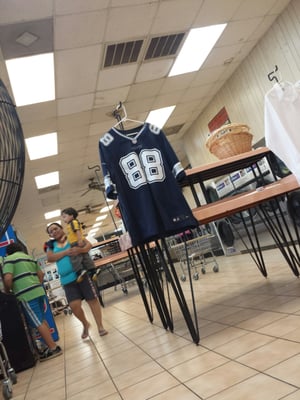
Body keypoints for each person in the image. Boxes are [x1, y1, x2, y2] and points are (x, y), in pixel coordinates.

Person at [45, 223, 107, 338]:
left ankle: (100, 326)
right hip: (67, 280)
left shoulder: (72, 237)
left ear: (61, 228)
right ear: (50, 235)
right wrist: (65, 252)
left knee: (92, 300)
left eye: (55, 228)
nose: (54, 231)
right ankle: (85, 324)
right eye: (51, 231)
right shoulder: (51, 245)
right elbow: (50, 258)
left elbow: (88, 245)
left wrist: (80, 250)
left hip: (82, 274)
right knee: (74, 306)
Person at [2, 242, 62, 362]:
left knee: (37, 322)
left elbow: (8, 278)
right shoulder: (29, 258)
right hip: (38, 291)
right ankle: (53, 346)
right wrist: (36, 285)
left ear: (8, 252)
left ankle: (53, 348)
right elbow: (41, 274)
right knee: (42, 319)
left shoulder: (9, 259)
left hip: (26, 295)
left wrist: (8, 291)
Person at [61, 207, 98, 282]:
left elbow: (77, 231)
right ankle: (93, 270)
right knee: (85, 256)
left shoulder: (73, 222)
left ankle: (80, 271)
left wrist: (80, 240)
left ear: (71, 215)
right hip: (77, 241)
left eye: (65, 217)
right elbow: (72, 234)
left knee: (75, 258)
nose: (64, 219)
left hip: (76, 242)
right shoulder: (72, 223)